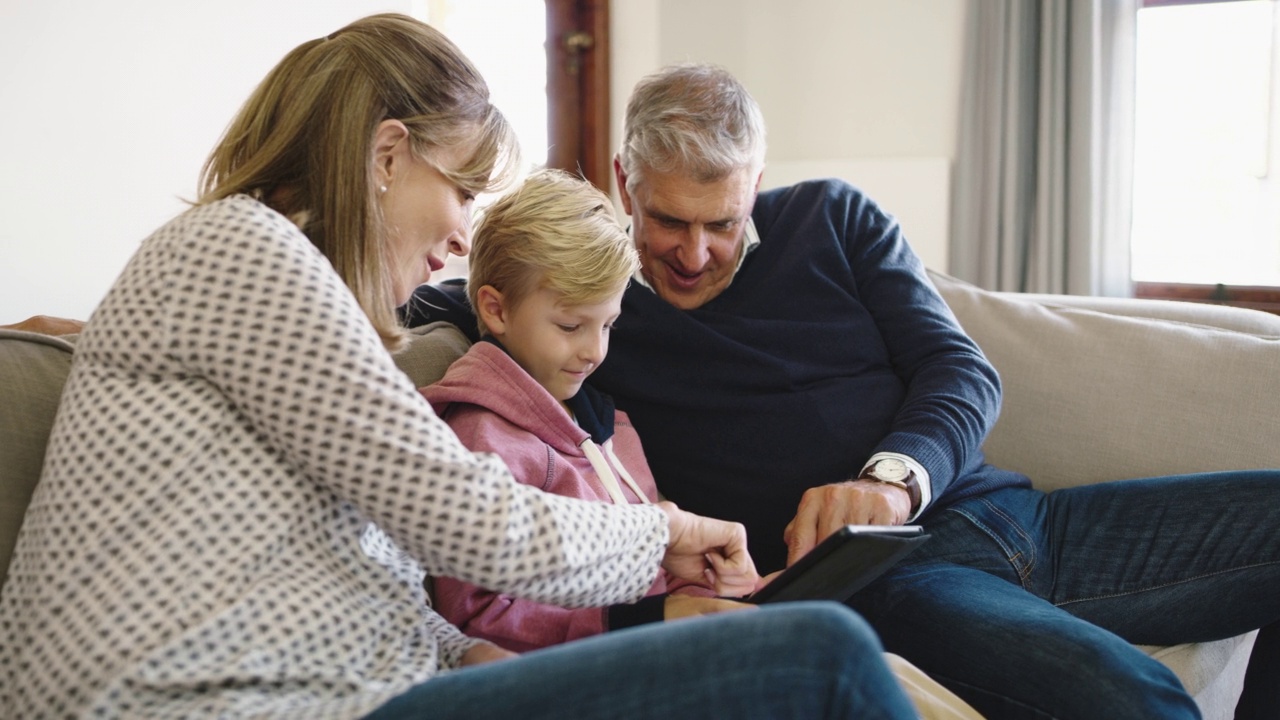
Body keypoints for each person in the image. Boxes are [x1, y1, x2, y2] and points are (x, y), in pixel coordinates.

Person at [0, 23, 923, 719]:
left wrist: (473, 657)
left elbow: (378, 579)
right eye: (462, 192)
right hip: (191, 702)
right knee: (822, 655)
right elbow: (464, 518)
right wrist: (664, 533)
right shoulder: (242, 247)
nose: (459, 237)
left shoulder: (301, 312)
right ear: (387, 155)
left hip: (343, 691)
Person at [406, 63, 1280, 720]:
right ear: (624, 180)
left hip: (1016, 520)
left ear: (757, 184)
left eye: (724, 222)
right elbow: (455, 293)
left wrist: (892, 478)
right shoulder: (590, 306)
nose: (696, 253)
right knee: (1127, 695)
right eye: (669, 221)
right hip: (901, 582)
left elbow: (962, 369)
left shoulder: (834, 218)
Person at [420, 167, 983, 720]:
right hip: (601, 666)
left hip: (652, 641)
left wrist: (715, 584)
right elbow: (480, 614)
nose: (595, 352)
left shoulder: (609, 420)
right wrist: (653, 618)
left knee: (885, 667)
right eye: (571, 326)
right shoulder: (483, 435)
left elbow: (652, 563)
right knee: (836, 658)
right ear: (494, 310)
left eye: (609, 325)